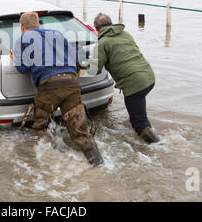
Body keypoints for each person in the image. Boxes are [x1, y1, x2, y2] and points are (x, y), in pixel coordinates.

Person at [9, 11, 104, 165]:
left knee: (42, 126)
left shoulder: (23, 39)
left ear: (22, 26)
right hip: (72, 84)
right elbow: (76, 58)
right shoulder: (58, 34)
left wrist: (14, 58)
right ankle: (98, 163)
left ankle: (55, 164)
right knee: (79, 132)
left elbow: (22, 68)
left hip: (49, 87)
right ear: (38, 24)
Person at [91, 13, 160, 143]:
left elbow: (94, 69)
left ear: (97, 28)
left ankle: (158, 147)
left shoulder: (103, 43)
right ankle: (149, 135)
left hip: (134, 84)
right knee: (139, 111)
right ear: (110, 23)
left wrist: (81, 67)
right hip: (149, 77)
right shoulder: (125, 34)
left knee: (139, 123)